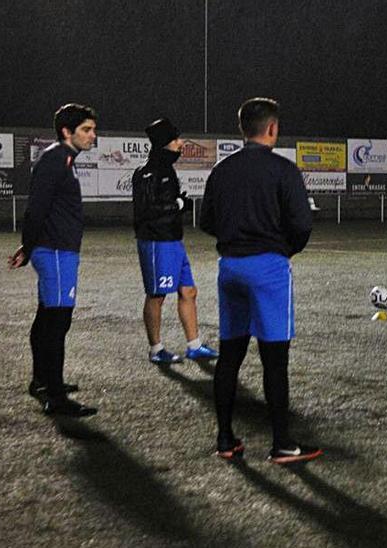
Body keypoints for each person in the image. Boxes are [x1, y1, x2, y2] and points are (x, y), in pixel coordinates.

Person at [200, 97, 320, 463]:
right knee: (274, 360)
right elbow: (301, 225)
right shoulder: (283, 170)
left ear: (243, 129)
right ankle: (282, 443)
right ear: (272, 128)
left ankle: (225, 439)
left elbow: (205, 221)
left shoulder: (222, 170)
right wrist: (283, 250)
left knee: (230, 356)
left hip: (230, 267)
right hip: (267, 268)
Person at [7, 103, 100, 417]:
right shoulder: (55, 160)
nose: (92, 135)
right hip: (57, 251)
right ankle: (55, 396)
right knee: (57, 321)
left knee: (48, 317)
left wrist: (31, 247)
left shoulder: (63, 159)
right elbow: (36, 209)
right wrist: (29, 246)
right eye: (86, 129)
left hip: (55, 249)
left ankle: (42, 381)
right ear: (66, 131)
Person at [131, 118, 218, 365]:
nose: (181, 143)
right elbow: (148, 209)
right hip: (156, 241)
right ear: (165, 143)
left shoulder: (166, 169)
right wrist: (179, 204)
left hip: (173, 240)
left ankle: (194, 345)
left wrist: (177, 202)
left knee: (188, 291)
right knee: (157, 295)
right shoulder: (147, 172)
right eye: (176, 139)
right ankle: (156, 349)